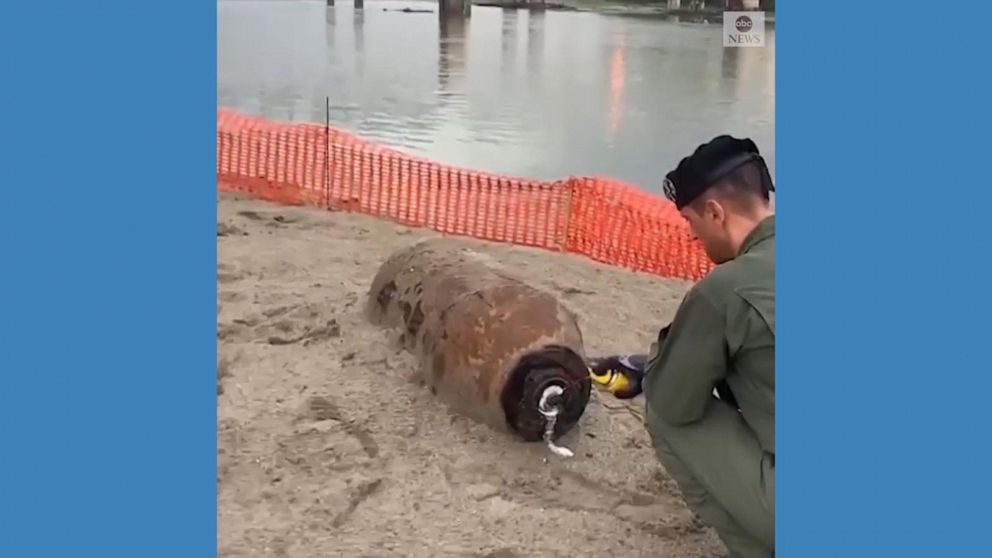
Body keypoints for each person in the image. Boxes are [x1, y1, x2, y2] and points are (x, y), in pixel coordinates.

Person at [591, 135, 775, 557]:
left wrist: (654, 365)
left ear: (715, 212)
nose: (696, 241)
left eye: (694, 228)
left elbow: (675, 402)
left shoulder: (725, 290)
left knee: (667, 413)